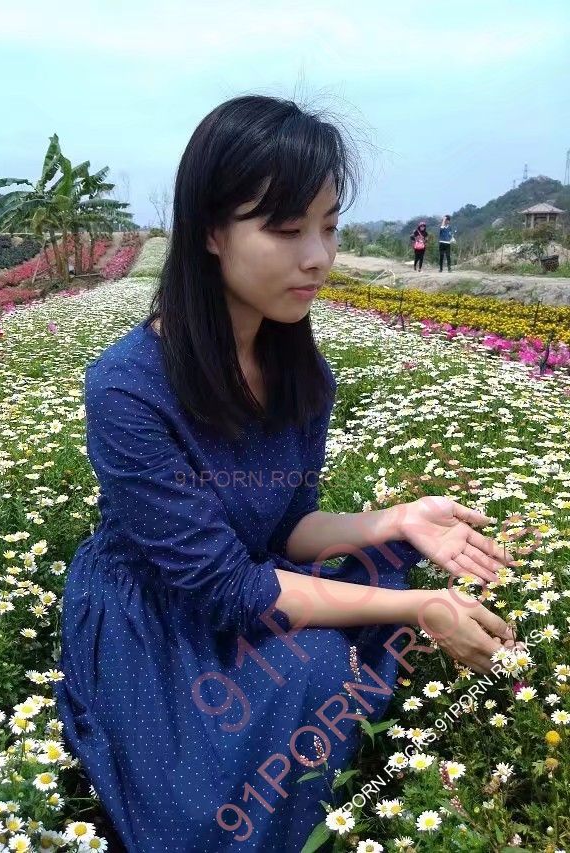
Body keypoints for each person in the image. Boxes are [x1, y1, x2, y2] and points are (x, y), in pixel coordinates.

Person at [54, 95, 518, 853]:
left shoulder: (300, 371)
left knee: (386, 565)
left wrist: (397, 519)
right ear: (211, 231)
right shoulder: (129, 388)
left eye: (328, 226)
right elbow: (227, 590)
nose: (319, 257)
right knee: (307, 669)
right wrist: (419, 609)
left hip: (245, 574)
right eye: (285, 228)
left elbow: (286, 526)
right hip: (159, 604)